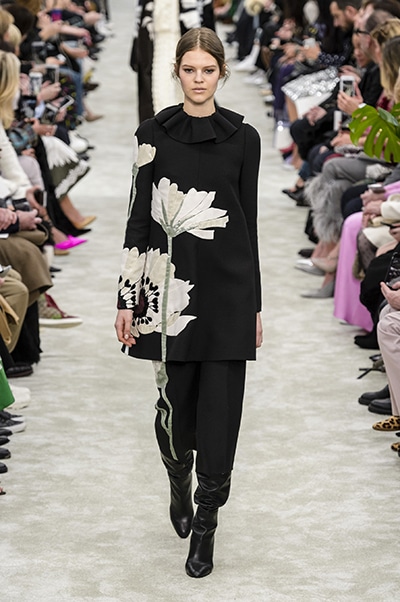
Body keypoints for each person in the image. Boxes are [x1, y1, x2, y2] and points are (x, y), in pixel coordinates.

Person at [115, 27, 263, 579]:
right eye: (189, 70)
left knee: (221, 415)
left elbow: (248, 224)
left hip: (227, 293)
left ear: (221, 73)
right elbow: (137, 219)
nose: (199, 80)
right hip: (168, 292)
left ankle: (206, 522)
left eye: (208, 70)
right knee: (175, 412)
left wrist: (254, 305)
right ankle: (178, 477)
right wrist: (127, 297)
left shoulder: (244, 138)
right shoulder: (152, 134)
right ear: (176, 72)